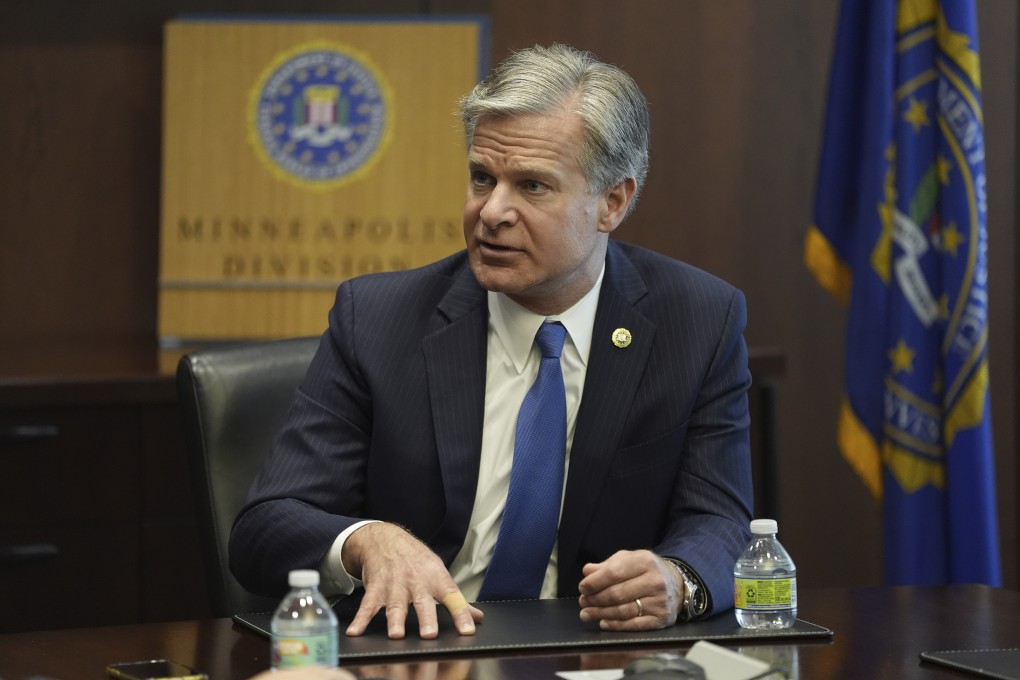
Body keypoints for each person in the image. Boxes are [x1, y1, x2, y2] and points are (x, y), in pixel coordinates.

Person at [230, 43, 753, 641]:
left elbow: (721, 521)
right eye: (483, 177)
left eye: (532, 186)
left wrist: (677, 578)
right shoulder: (377, 319)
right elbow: (263, 528)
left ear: (613, 202)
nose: (492, 212)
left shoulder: (699, 320)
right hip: (421, 651)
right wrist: (364, 541)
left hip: (598, 653)